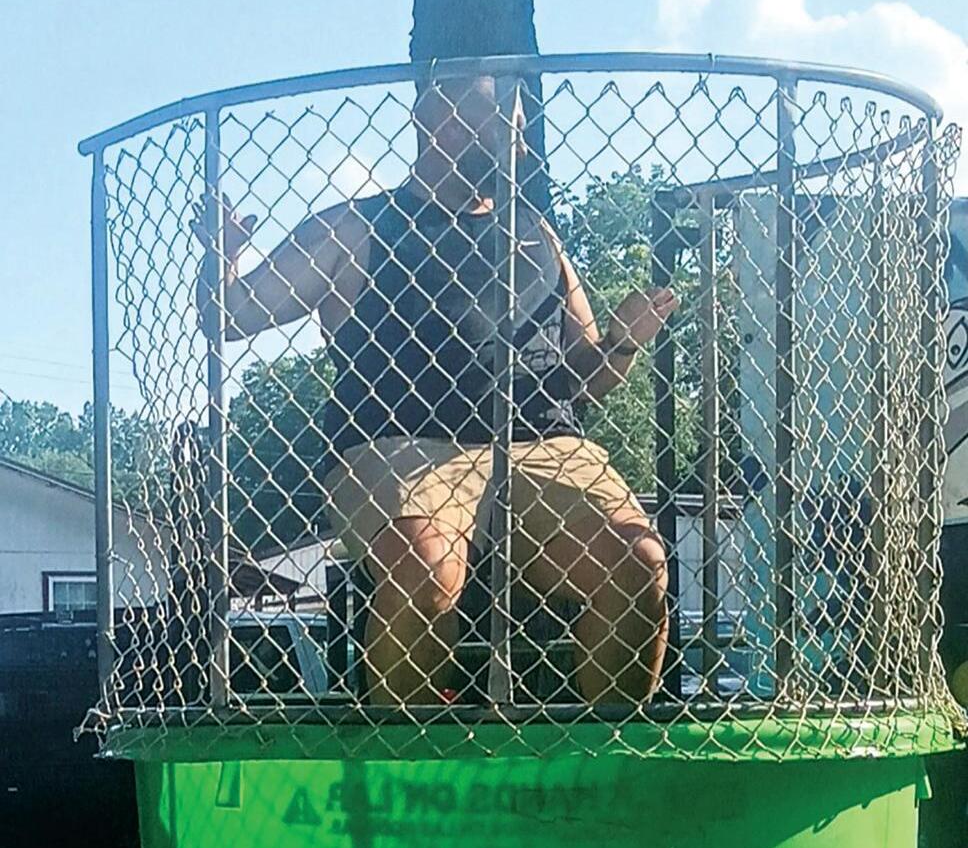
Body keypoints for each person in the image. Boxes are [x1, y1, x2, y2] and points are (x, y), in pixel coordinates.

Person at [192, 75, 677, 706]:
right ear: (446, 126)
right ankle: (408, 757)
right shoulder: (355, 228)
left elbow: (584, 376)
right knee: (425, 567)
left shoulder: (537, 233)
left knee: (639, 561)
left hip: (543, 443)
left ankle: (608, 755)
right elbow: (231, 316)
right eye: (507, 130)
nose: (521, 148)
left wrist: (623, 340)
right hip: (400, 443)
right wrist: (222, 256)